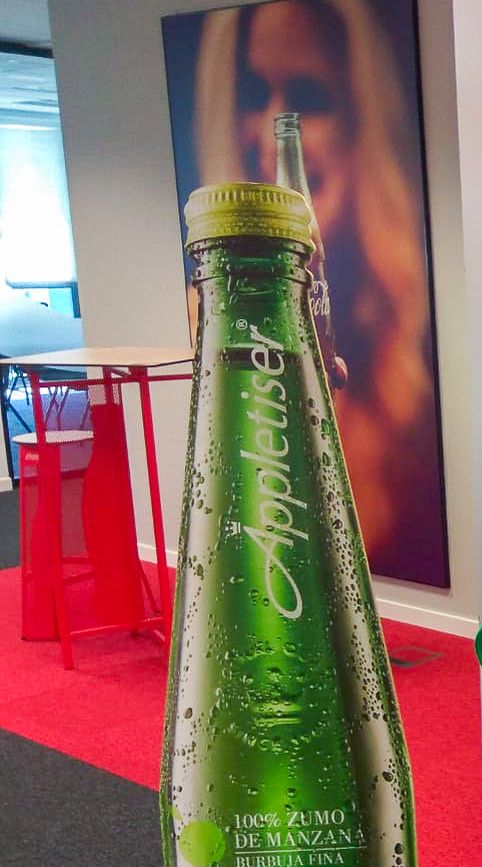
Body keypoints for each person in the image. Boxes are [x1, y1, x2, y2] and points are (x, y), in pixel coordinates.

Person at [187, 0, 446, 586]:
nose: (278, 136)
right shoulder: (211, 318)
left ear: (364, 126)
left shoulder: (414, 371)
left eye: (310, 97)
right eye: (254, 94)